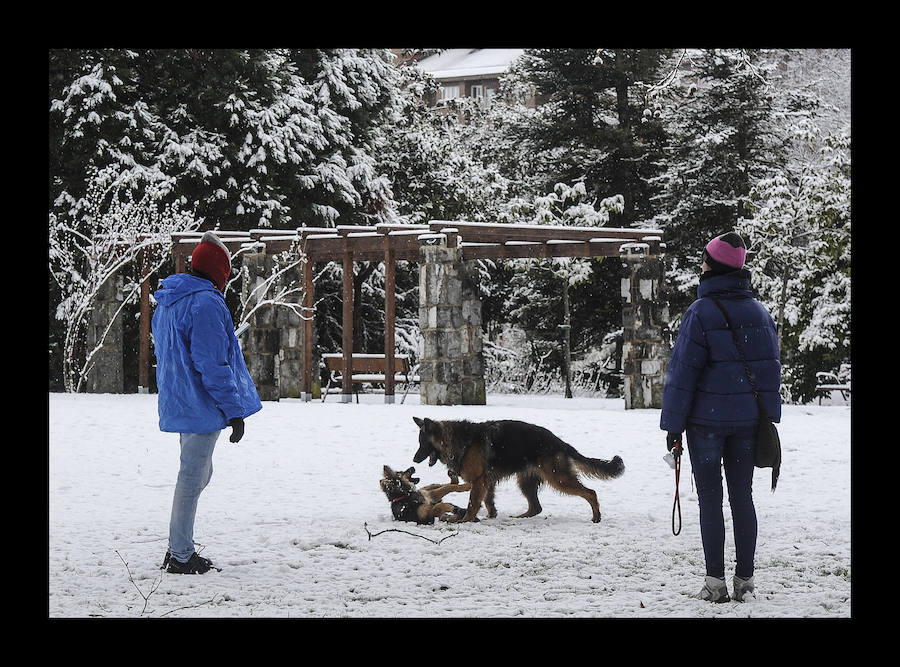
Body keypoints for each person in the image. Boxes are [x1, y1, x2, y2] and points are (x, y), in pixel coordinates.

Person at [660, 231, 781, 603]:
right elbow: (770, 370)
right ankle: (745, 581)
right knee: (742, 498)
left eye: (703, 261)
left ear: (711, 267)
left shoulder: (700, 312)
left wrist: (673, 426)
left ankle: (715, 585)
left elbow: (683, 374)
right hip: (746, 423)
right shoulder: (760, 312)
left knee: (711, 501)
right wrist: (768, 416)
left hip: (705, 424)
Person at [152, 231, 262, 574]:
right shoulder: (206, 303)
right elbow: (212, 363)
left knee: (199, 472)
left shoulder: (170, 300)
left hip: (181, 400)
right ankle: (180, 554)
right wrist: (234, 410)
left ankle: (178, 546)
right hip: (201, 404)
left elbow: (169, 352)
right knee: (192, 476)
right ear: (220, 272)